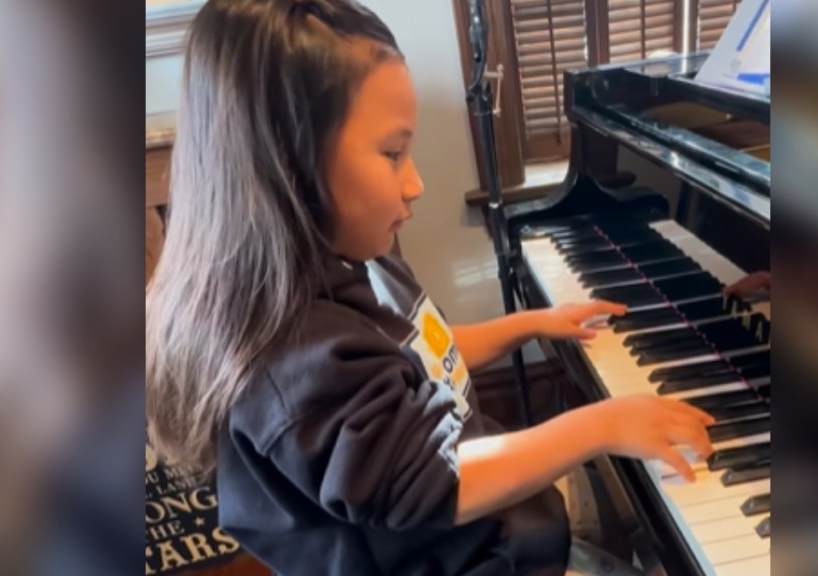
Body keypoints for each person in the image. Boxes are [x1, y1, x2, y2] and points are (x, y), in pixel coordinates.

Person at [144, 1, 714, 574]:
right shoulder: (292, 357)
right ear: (286, 164)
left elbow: (420, 357)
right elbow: (437, 480)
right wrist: (601, 424)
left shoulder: (355, 265)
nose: (414, 182)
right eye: (392, 154)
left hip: (504, 540)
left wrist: (533, 324)